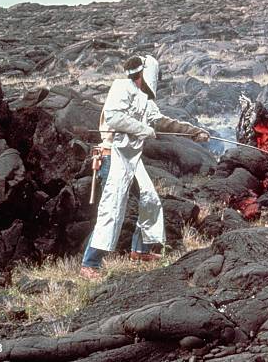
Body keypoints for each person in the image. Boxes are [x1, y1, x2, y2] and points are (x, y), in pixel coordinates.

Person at [80, 55, 209, 280]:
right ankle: (90, 264)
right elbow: (113, 118)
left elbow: (161, 122)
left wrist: (193, 132)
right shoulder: (121, 87)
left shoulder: (145, 99)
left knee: (150, 199)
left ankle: (140, 251)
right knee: (112, 209)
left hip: (131, 158)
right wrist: (142, 129)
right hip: (113, 156)